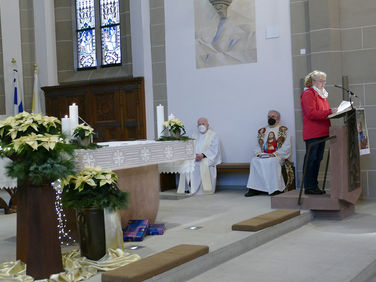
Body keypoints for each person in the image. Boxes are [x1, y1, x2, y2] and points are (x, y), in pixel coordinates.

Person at [301, 70, 337, 195]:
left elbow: (324, 111)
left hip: (322, 131)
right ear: (313, 82)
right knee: (312, 159)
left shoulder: (321, 94)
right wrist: (329, 112)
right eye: (321, 81)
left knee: (318, 160)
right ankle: (309, 187)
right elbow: (311, 113)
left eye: (324, 81)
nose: (323, 83)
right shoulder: (308, 94)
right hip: (313, 132)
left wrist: (333, 112)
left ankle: (314, 186)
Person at [245, 110, 291, 197]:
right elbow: (256, 145)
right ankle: (254, 188)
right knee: (255, 161)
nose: (270, 118)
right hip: (263, 155)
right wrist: (259, 153)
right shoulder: (262, 131)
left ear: (278, 119)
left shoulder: (284, 130)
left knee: (272, 161)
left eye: (273, 116)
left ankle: (275, 189)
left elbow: (287, 146)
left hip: (276, 155)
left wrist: (274, 154)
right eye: (269, 117)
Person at [185, 117, 222, 195]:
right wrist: (194, 155)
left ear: (207, 125)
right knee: (187, 164)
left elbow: (214, 149)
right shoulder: (194, 135)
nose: (201, 126)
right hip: (195, 158)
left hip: (207, 158)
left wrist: (203, 155)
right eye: (199, 124)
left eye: (203, 124)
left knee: (203, 163)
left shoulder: (213, 135)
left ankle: (204, 189)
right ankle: (192, 188)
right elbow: (189, 148)